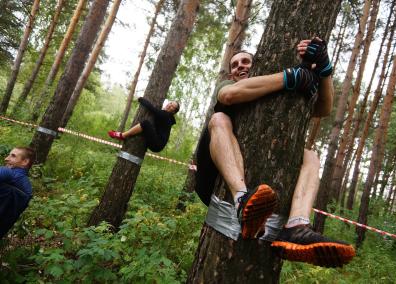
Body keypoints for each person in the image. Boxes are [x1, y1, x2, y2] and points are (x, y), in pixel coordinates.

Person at [195, 38, 355, 267]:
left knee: (310, 155)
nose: (240, 66)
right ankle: (242, 200)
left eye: (246, 61)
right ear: (231, 74)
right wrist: (291, 77)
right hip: (212, 177)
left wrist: (325, 71)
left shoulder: (276, 92)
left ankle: (297, 227)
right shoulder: (229, 86)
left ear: (258, 65)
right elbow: (228, 97)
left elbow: (324, 108)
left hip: (249, 173)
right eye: (235, 64)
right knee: (219, 117)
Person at [108, 98, 179, 152]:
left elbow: (152, 109)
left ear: (174, 111)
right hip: (157, 143)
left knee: (146, 124)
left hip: (157, 144)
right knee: (148, 126)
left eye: (173, 106)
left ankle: (122, 135)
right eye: (170, 103)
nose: (170, 105)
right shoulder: (167, 117)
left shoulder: (166, 115)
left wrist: (141, 99)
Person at [0, 147, 35, 239]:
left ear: (25, 162)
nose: (6, 158)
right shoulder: (28, 189)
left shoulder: (8, 173)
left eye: (13, 156)